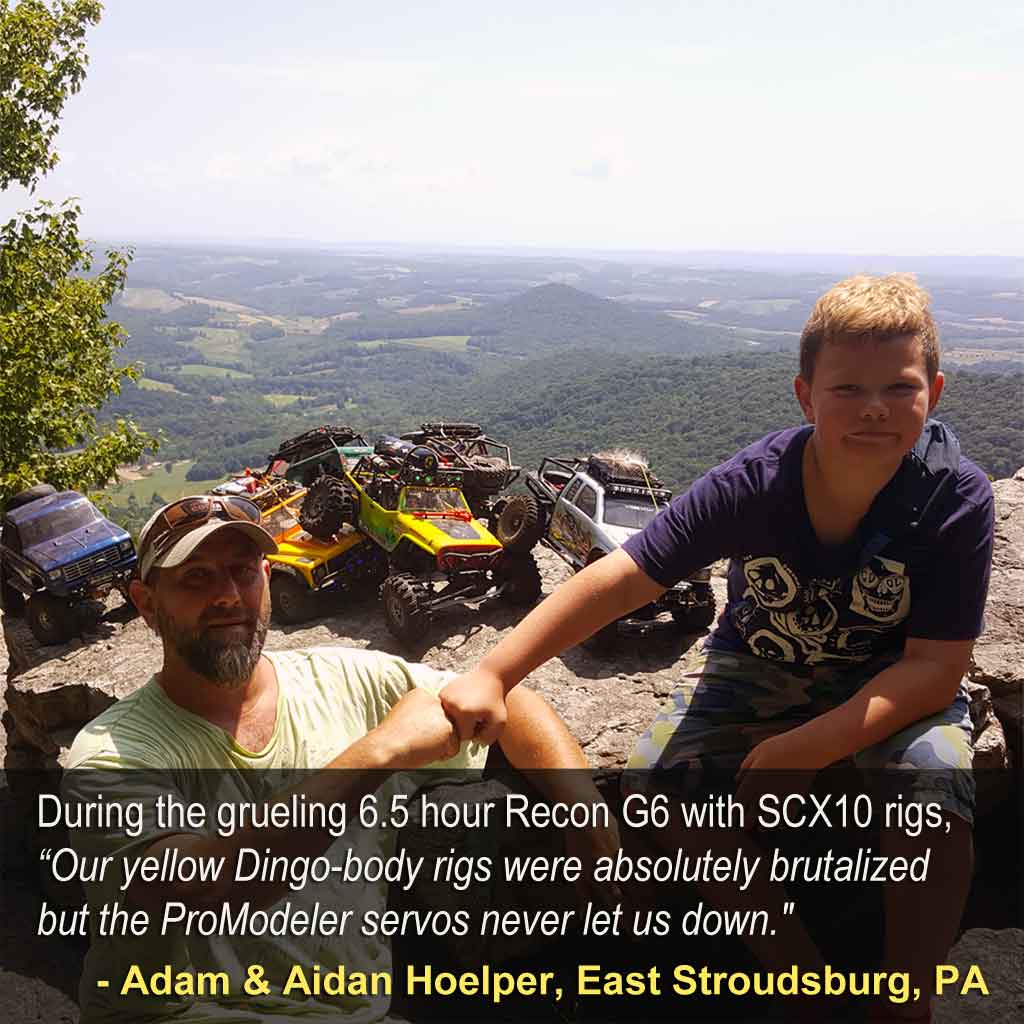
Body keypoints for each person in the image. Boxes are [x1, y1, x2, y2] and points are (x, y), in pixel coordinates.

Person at [439, 274, 994, 1021]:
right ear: (805, 396)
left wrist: (809, 746)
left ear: (936, 390)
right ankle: (798, 978)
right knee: (663, 789)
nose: (872, 408)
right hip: (759, 667)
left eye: (899, 387)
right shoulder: (756, 483)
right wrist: (495, 671)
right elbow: (628, 576)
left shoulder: (953, 497)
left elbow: (934, 668)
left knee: (932, 804)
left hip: (891, 682)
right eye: (846, 388)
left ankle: (906, 997)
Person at [64, 495, 617, 1023]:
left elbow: (503, 698)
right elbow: (203, 888)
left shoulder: (347, 679)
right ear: (146, 605)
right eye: (196, 578)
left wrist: (584, 808)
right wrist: (377, 754)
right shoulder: (112, 753)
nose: (228, 595)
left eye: (244, 570)